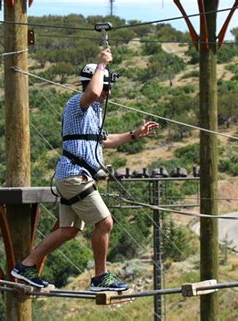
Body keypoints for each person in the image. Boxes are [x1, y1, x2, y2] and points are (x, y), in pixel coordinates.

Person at [11, 48, 159, 291]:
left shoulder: (94, 113)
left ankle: (26, 265)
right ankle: (101, 277)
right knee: (105, 223)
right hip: (74, 176)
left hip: (74, 176)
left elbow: (104, 139)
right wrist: (101, 64)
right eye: (107, 87)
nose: (107, 93)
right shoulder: (77, 104)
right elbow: (93, 91)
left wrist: (134, 134)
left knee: (68, 230)